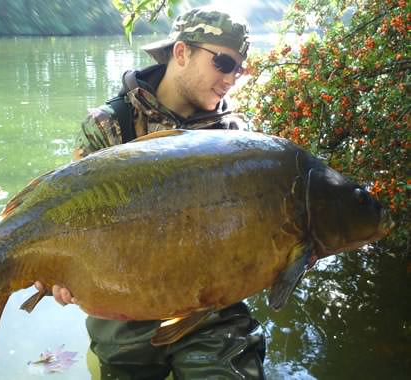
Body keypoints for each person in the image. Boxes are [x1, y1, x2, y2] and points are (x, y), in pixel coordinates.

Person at [36, 8, 266, 379]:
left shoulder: (239, 138)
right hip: (124, 302)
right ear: (181, 53)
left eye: (239, 69)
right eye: (223, 63)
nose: (231, 79)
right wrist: (60, 271)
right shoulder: (110, 124)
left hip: (211, 309)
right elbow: (72, 218)